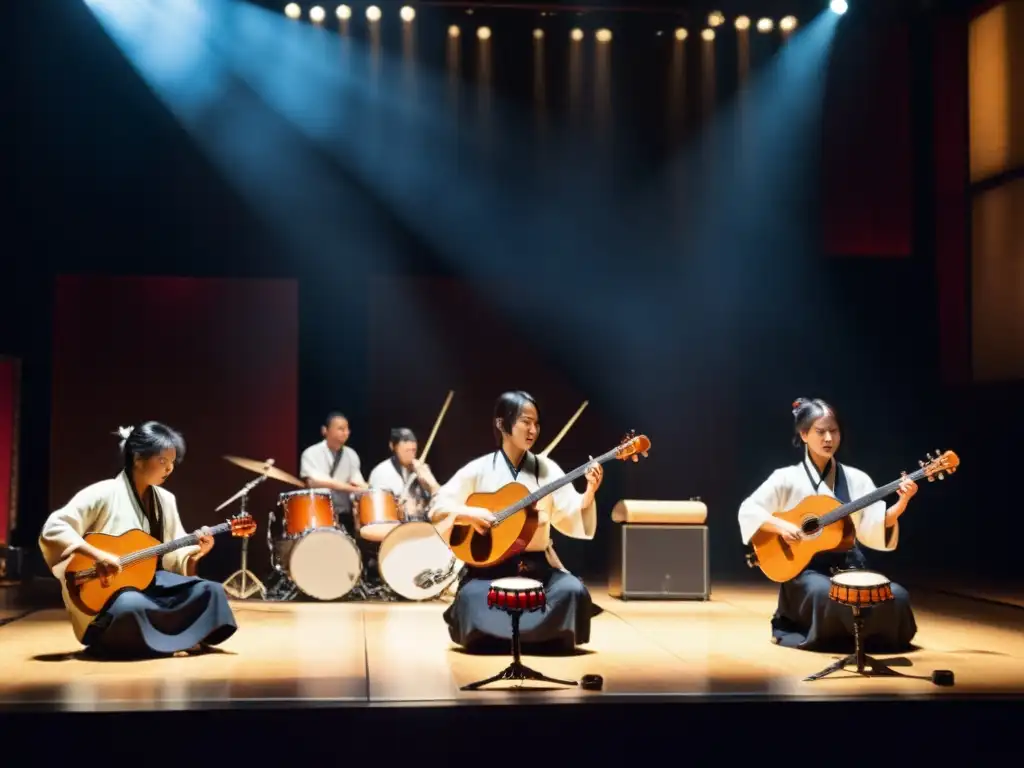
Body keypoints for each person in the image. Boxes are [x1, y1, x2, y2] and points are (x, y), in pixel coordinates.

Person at [38, 422, 237, 658]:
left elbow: (173, 553)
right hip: (110, 592)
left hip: (149, 582)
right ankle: (177, 638)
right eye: (162, 461)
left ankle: (162, 640)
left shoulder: (166, 500)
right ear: (138, 459)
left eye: (172, 462)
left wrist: (195, 553)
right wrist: (96, 554)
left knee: (210, 590)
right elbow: (54, 528)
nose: (169, 468)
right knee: (130, 607)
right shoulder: (103, 492)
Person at [737, 398, 918, 652]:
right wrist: (781, 526)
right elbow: (749, 509)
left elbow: (872, 524)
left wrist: (900, 504)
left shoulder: (856, 478)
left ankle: (872, 639)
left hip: (848, 565)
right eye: (820, 432)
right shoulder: (786, 478)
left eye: (834, 431)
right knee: (826, 594)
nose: (828, 439)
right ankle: (835, 639)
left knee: (895, 595)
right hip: (806, 572)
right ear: (804, 434)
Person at [429, 391, 603, 652]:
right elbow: (439, 507)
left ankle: (508, 638)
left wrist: (589, 492)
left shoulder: (547, 469)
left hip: (537, 568)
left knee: (572, 591)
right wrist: (471, 514)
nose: (533, 430)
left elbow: (569, 511)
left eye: (536, 423)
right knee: (470, 597)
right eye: (525, 421)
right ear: (502, 424)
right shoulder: (479, 468)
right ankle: (535, 638)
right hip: (489, 568)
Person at [299, 411, 368, 537]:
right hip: (317, 514)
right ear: (325, 430)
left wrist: (365, 488)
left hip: (343, 516)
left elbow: (357, 481)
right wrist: (349, 487)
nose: (346, 432)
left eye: (347, 429)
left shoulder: (351, 454)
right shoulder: (311, 453)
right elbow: (313, 482)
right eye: (341, 429)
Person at [366, 427, 441, 521]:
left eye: (413, 451)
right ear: (392, 446)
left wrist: (431, 484)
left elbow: (440, 502)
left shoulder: (422, 470)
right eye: (407, 451)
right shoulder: (382, 472)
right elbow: (378, 511)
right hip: (394, 528)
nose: (411, 455)